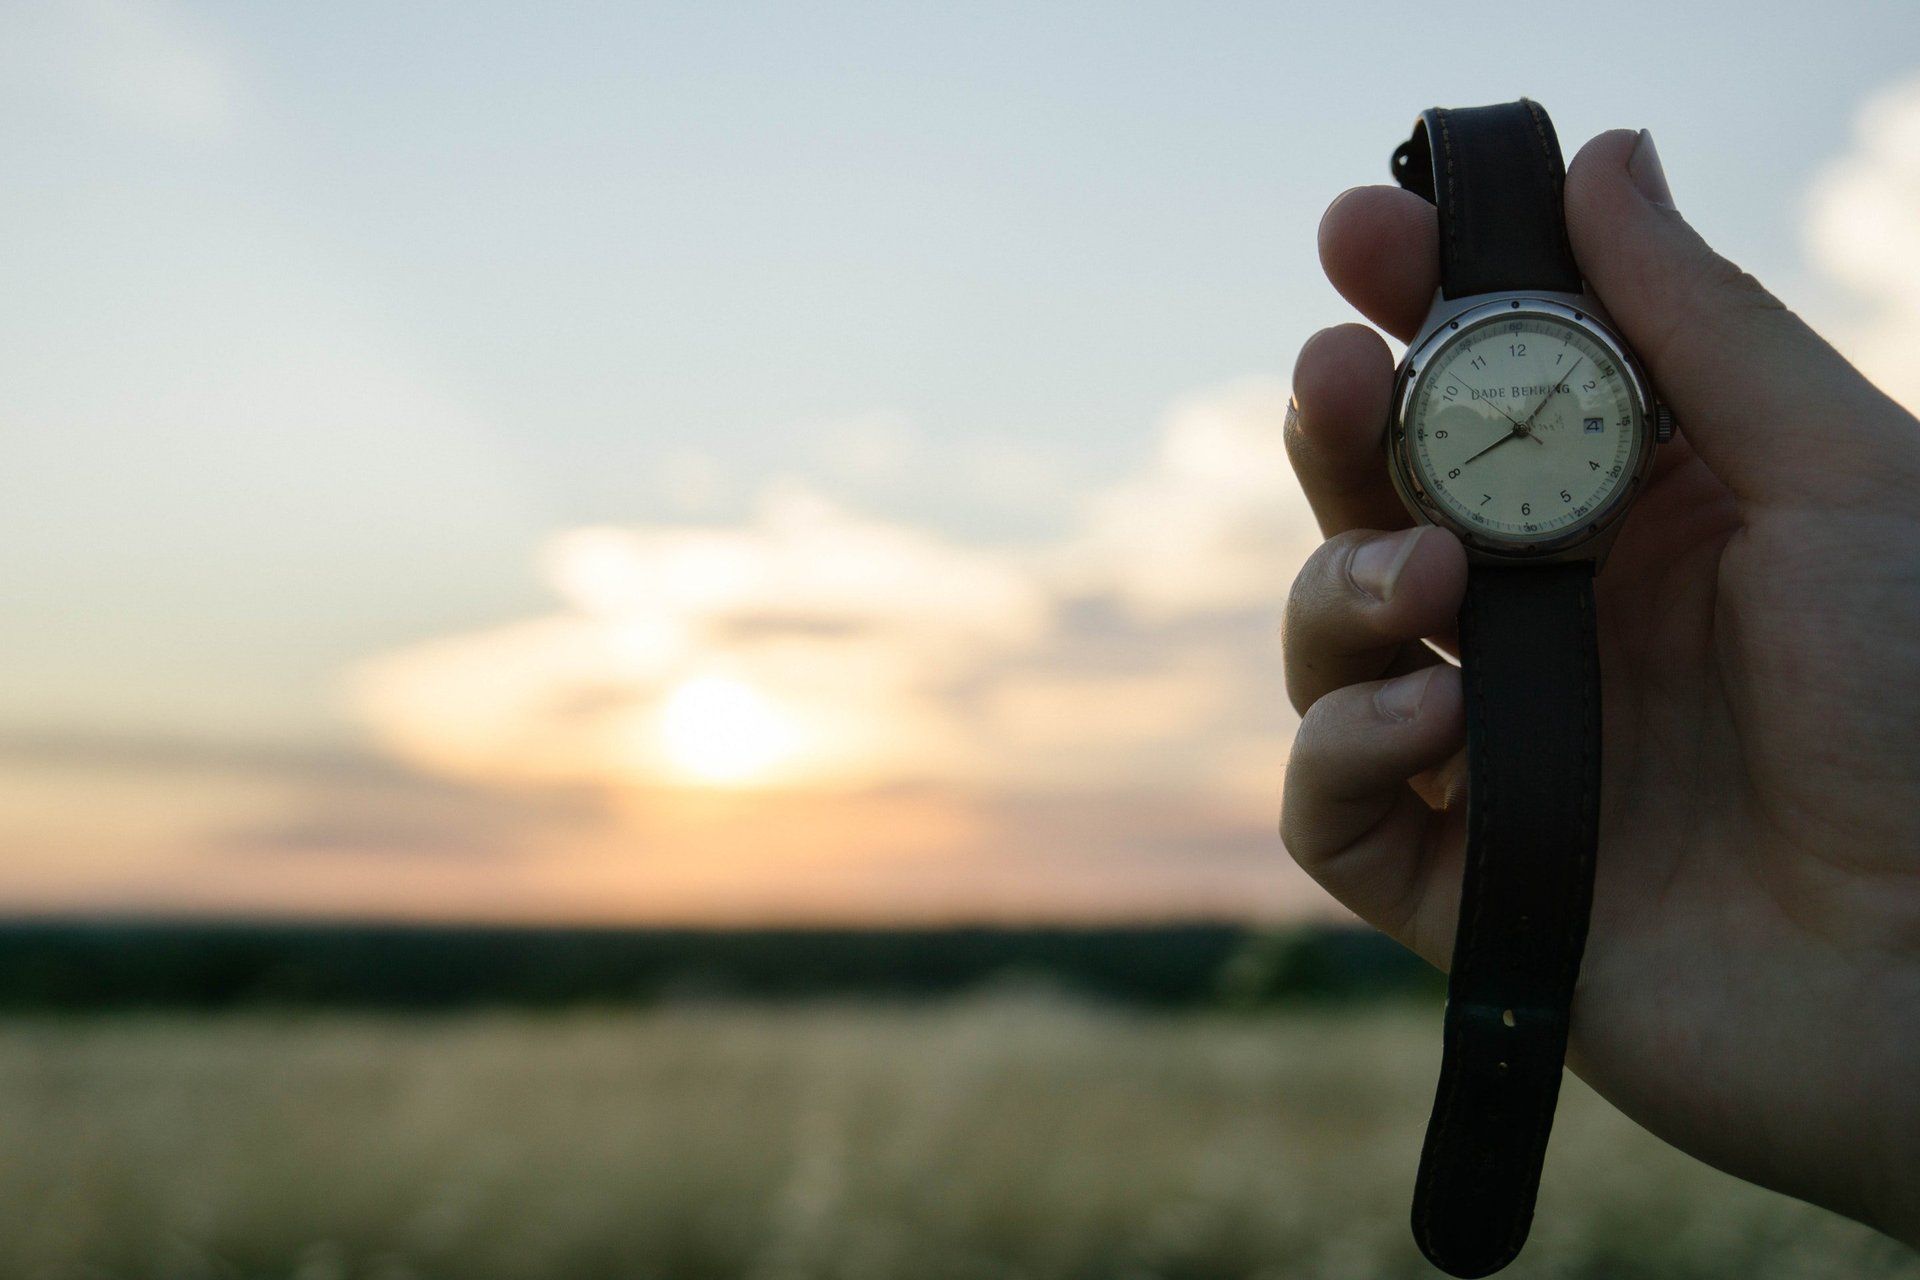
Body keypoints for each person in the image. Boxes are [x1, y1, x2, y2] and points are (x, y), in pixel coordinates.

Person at [1279, 127, 1920, 1246]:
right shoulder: (1568, 390)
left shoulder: (1537, 416)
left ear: (1642, 413)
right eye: (1493, 421)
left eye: (1548, 413)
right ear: (1418, 442)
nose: (1522, 421)